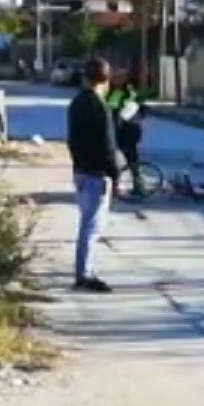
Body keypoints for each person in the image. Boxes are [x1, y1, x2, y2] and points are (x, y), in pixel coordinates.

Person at [66, 56, 122, 293]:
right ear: (106, 80)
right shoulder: (101, 107)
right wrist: (116, 175)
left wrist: (77, 163)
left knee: (87, 223)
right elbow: (108, 147)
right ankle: (84, 275)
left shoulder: (76, 103)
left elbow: (71, 140)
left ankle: (84, 271)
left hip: (80, 170)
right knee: (91, 227)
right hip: (97, 174)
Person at [107, 78, 146, 193]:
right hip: (130, 131)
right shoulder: (128, 93)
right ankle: (136, 185)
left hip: (126, 132)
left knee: (118, 160)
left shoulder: (122, 94)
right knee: (129, 159)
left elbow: (114, 113)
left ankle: (120, 186)